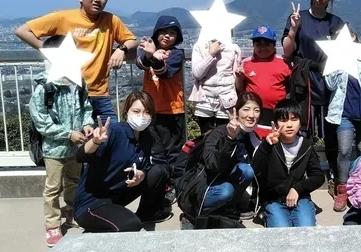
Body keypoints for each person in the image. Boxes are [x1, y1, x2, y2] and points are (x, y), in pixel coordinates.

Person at [281, 0, 361, 199]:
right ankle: (299, 178)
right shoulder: (298, 18)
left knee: (332, 131)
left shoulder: (336, 22)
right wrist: (294, 29)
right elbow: (287, 51)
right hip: (304, 80)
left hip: (331, 82)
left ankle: (335, 177)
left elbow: (351, 44)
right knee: (303, 130)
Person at [14, 0, 138, 120]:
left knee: (112, 135)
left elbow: (132, 40)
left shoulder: (111, 20)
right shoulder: (63, 17)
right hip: (69, 92)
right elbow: (22, 31)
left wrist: (121, 50)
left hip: (99, 94)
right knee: (77, 138)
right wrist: (51, 52)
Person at [73, 91, 172, 233]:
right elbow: (81, 156)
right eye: (136, 111)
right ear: (126, 111)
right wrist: (95, 142)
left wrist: (141, 174)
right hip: (91, 203)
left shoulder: (146, 137)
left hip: (116, 195)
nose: (141, 117)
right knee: (131, 225)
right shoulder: (114, 131)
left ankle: (145, 214)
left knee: (158, 172)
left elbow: (147, 167)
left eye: (147, 112)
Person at [29, 35, 94, 246]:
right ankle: (52, 225)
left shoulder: (78, 83)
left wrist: (87, 124)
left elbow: (86, 108)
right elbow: (41, 121)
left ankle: (72, 212)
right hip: (54, 148)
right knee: (53, 187)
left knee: (73, 182)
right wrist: (68, 134)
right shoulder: (44, 88)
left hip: (75, 146)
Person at [177, 92, 261, 229]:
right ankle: (192, 216)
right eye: (246, 109)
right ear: (236, 111)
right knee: (226, 190)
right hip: (200, 189)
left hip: (221, 183)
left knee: (247, 171)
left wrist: (269, 146)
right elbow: (213, 165)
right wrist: (229, 140)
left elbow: (257, 169)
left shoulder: (251, 137)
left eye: (256, 110)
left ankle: (226, 211)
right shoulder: (219, 133)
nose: (251, 115)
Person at [324, 31, 361, 212]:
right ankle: (342, 189)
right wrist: (337, 61)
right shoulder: (333, 60)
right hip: (343, 114)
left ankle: (360, 187)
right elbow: (330, 85)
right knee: (344, 150)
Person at [135, 15, 186, 202]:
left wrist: (154, 57)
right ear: (156, 33)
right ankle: (159, 184)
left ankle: (173, 185)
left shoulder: (177, 54)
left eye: (173, 33)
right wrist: (150, 55)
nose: (168, 36)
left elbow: (164, 73)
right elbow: (141, 63)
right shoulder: (146, 49)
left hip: (173, 110)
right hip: (150, 110)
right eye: (164, 31)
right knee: (155, 152)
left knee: (173, 152)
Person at [251, 99, 325, 227]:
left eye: (294, 119)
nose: (289, 125)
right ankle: (266, 215)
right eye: (284, 121)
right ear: (275, 124)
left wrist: (298, 188)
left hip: (300, 198)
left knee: (306, 229)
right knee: (282, 231)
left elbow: (318, 176)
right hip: (274, 200)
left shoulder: (306, 145)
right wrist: (266, 146)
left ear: (300, 121)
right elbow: (255, 170)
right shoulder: (269, 144)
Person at [236, 25, 292, 140]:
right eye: (258, 44)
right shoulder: (245, 64)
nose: (262, 47)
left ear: (274, 45)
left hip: (277, 112)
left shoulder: (284, 64)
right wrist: (239, 78)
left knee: (275, 142)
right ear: (253, 46)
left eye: (267, 43)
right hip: (254, 113)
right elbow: (240, 90)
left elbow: (290, 88)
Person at [189, 31, 242, 135]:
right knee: (205, 135)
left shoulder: (234, 48)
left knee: (224, 134)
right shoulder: (199, 46)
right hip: (204, 99)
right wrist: (211, 54)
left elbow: (235, 75)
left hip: (227, 98)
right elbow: (197, 74)